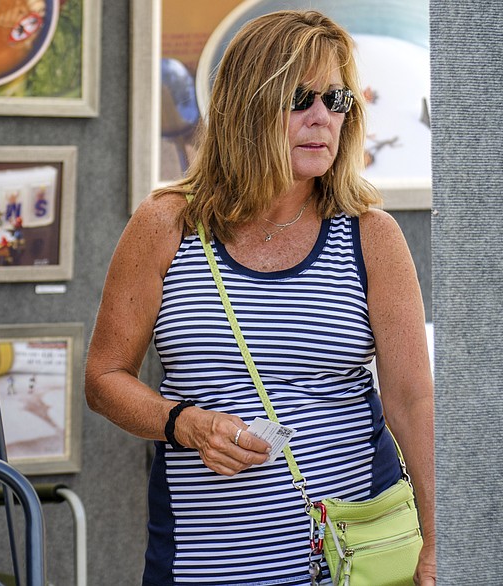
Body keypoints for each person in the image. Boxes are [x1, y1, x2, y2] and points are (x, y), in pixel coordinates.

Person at [85, 10, 435, 586]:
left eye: (338, 100)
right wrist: (183, 423)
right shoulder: (167, 225)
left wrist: (438, 535)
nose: (323, 117)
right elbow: (103, 378)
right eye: (301, 98)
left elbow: (412, 400)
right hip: (204, 564)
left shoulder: (371, 235)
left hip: (359, 561)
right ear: (248, 105)